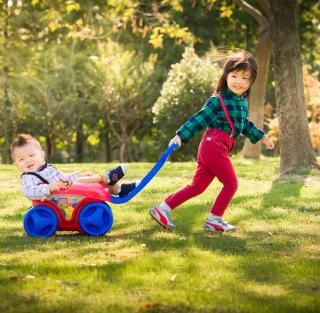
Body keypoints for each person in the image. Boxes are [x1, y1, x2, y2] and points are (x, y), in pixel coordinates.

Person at [150, 50, 274, 232]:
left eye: (245, 78)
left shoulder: (241, 101)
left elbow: (244, 124)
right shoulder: (218, 100)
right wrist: (180, 135)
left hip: (217, 146)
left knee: (197, 187)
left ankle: (163, 209)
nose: (239, 81)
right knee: (231, 184)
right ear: (226, 76)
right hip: (213, 145)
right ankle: (215, 219)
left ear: (251, 81)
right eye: (234, 76)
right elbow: (198, 119)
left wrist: (261, 136)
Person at [11, 133, 137, 200]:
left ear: (41, 155)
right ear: (17, 165)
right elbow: (29, 192)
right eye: (21, 159)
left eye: (31, 155)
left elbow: (64, 177)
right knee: (81, 182)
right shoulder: (28, 178)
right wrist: (48, 188)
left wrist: (78, 174)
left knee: (92, 185)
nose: (27, 160)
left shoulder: (47, 168)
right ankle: (106, 177)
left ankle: (119, 189)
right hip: (56, 198)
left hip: (65, 192)